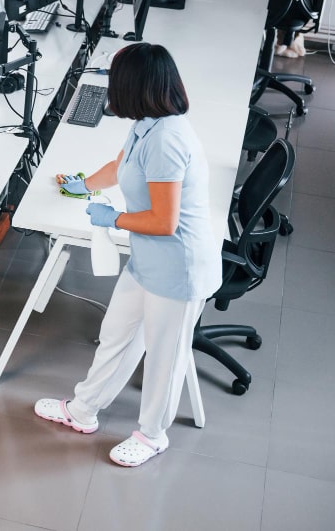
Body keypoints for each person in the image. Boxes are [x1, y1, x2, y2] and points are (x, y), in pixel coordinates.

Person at [34, 43, 221, 467]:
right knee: (117, 335)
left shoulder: (167, 141)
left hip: (178, 269)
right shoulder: (145, 126)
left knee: (164, 357)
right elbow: (120, 167)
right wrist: (83, 184)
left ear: (132, 88)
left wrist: (113, 218)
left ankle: (153, 435)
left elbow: (164, 221)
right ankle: (83, 410)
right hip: (148, 261)